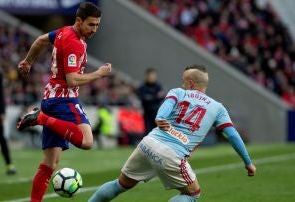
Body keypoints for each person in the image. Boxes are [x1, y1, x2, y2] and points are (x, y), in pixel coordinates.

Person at [88, 65, 256, 202]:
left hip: (149, 143)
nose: (182, 84)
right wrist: (248, 162)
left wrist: (160, 117)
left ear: (191, 83)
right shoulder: (218, 108)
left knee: (121, 184)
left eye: (183, 81)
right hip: (173, 154)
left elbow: (166, 107)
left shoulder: (178, 92)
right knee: (192, 194)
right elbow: (232, 135)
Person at [16, 2, 111, 202]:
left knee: (49, 163)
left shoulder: (63, 31)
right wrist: (99, 74)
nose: (94, 30)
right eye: (91, 25)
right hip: (63, 99)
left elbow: (41, 39)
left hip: (50, 98)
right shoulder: (74, 41)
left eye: (97, 25)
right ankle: (40, 118)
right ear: (79, 20)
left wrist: (28, 61)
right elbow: (73, 79)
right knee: (87, 141)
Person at [137, 68, 165, 134]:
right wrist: (156, 97)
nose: (152, 77)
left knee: (158, 132)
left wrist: (151, 97)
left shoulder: (158, 86)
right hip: (147, 113)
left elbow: (162, 96)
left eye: (154, 75)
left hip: (157, 113)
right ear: (147, 76)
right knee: (148, 131)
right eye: (150, 75)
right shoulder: (142, 87)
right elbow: (144, 99)